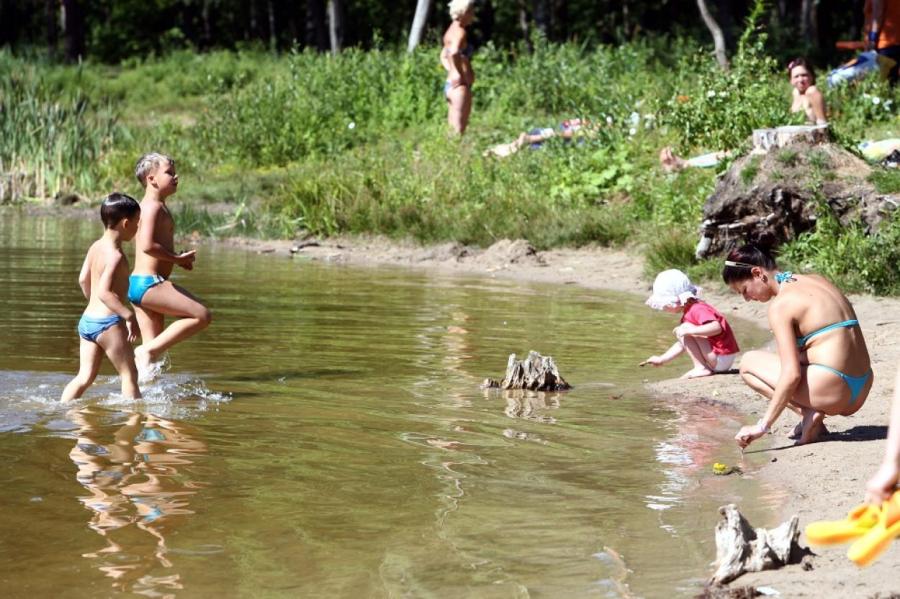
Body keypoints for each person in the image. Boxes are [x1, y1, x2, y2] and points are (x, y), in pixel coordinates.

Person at [723, 244, 873, 447]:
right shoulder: (817, 280)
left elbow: (791, 374)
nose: (747, 299)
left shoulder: (782, 305)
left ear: (757, 273)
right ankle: (811, 416)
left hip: (835, 391)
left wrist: (762, 426)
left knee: (749, 363)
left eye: (744, 290)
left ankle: (808, 414)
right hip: (863, 386)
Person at [659, 57, 827, 172]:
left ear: (812, 76)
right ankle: (686, 164)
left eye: (804, 75)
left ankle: (685, 164)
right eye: (796, 76)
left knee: (739, 153)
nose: (801, 79)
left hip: (802, 143)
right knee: (735, 151)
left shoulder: (813, 92)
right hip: (787, 140)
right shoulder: (796, 94)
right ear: (790, 80)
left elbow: (822, 123)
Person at [130, 153, 211, 378]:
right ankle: (146, 351)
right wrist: (177, 259)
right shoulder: (151, 207)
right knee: (202, 315)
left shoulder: (155, 206)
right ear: (151, 179)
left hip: (141, 284)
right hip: (150, 284)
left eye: (174, 173)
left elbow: (154, 246)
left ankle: (144, 405)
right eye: (169, 173)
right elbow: (146, 245)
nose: (176, 177)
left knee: (151, 365)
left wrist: (174, 258)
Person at [61, 193, 142, 402]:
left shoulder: (95, 246)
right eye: (137, 223)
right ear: (125, 223)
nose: (138, 228)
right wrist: (129, 316)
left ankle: (61, 410)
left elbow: (82, 279)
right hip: (109, 323)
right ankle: (132, 424)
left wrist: (93, 305)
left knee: (84, 377)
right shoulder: (115, 256)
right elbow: (104, 293)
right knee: (129, 374)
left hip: (87, 321)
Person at [641, 269, 740, 379]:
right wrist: (662, 359)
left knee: (684, 328)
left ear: (676, 300)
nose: (663, 308)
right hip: (719, 358)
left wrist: (689, 330)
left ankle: (701, 368)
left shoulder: (697, 309)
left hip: (721, 357)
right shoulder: (689, 312)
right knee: (683, 330)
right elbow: (682, 344)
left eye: (665, 304)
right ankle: (701, 367)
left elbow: (716, 327)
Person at [441, 0, 476, 135]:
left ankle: (443, 155)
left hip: (450, 85)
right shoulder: (460, 32)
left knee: (452, 131)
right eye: (471, 11)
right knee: (458, 132)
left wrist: (451, 70)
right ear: (465, 12)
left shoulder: (450, 30)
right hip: (460, 87)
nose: (473, 14)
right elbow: (454, 52)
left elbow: (444, 55)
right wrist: (459, 74)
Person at [484, 119, 591, 158]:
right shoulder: (593, 125)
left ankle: (524, 141)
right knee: (542, 137)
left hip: (562, 138)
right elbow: (570, 124)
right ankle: (508, 148)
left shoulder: (594, 131)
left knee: (536, 143)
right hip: (559, 135)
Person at [865, 0, 900, 82]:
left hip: (884, 44)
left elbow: (878, 13)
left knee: (880, 86)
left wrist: (872, 40)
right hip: (895, 42)